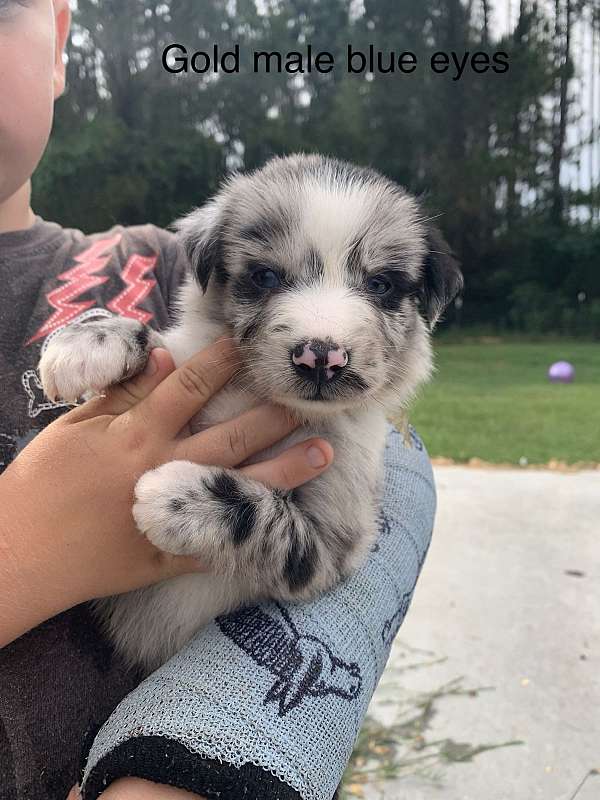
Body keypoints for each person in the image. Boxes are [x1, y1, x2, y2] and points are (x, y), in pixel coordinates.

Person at [0, 3, 436, 799]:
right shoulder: (201, 280)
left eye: (376, 284)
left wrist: (197, 757)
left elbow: (361, 538)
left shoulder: (141, 266)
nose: (322, 341)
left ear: (60, 36)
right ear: (218, 275)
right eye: (268, 277)